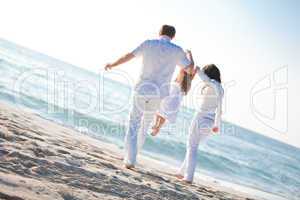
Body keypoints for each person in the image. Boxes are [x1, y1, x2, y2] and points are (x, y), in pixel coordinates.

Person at [105, 25, 194, 169]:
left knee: (134, 123)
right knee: (144, 126)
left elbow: (129, 55)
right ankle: (132, 156)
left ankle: (130, 158)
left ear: (160, 32)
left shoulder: (149, 43)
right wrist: (189, 56)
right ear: (173, 36)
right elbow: (190, 69)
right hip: (158, 94)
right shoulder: (177, 51)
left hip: (142, 89)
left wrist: (113, 64)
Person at [176, 64, 224, 184]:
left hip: (201, 118)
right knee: (193, 145)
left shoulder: (211, 83)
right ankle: (181, 172)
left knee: (192, 146)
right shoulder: (221, 89)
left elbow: (205, 79)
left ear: (208, 74)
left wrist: (197, 70)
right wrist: (217, 124)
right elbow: (220, 109)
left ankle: (188, 177)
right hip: (211, 121)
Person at [151, 50, 197, 136]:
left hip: (168, 98)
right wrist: (190, 56)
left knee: (159, 111)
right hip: (175, 104)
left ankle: (155, 125)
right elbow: (192, 68)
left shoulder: (181, 75)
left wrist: (188, 54)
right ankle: (158, 127)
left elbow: (189, 67)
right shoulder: (188, 82)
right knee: (164, 115)